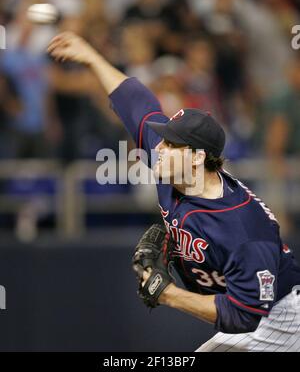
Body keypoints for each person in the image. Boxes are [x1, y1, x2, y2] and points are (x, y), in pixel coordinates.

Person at [47, 32, 300, 352]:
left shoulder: (244, 229)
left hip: (278, 320)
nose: (160, 148)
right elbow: (136, 100)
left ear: (197, 157)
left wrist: (168, 294)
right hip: (249, 314)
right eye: (163, 140)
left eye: (171, 144)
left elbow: (244, 316)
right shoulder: (175, 167)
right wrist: (92, 57)